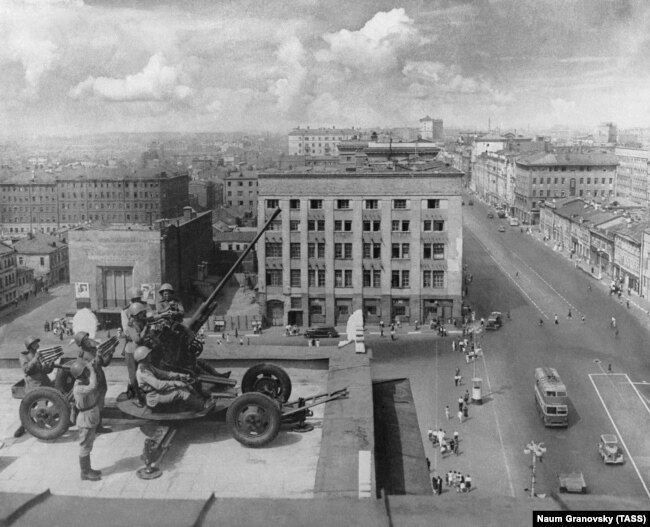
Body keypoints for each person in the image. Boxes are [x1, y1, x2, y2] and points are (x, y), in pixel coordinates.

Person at [134, 346, 205, 412]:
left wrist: (179, 375)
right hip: (153, 397)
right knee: (180, 392)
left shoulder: (148, 366)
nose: (150, 355)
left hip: (157, 393)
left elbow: (164, 374)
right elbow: (158, 385)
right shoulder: (142, 372)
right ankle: (202, 406)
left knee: (185, 385)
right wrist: (175, 383)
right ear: (143, 358)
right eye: (148, 355)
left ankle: (199, 400)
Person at [15, 337, 55, 437]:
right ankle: (23, 425)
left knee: (45, 404)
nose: (38, 344)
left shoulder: (39, 354)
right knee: (28, 407)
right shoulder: (25, 355)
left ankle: (44, 421)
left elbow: (44, 370)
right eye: (35, 343)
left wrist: (50, 365)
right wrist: (35, 358)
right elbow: (26, 369)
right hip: (33, 386)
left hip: (44, 383)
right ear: (30, 345)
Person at [70, 359, 102, 481]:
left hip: (90, 415)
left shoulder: (83, 381)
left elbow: (95, 382)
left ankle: (88, 469)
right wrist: (92, 369)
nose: (87, 373)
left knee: (89, 444)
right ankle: (85, 472)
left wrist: (92, 365)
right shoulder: (79, 388)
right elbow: (93, 387)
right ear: (79, 375)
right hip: (85, 419)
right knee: (85, 446)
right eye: (85, 371)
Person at [74, 332, 111, 434]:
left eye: (87, 338)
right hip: (92, 380)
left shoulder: (94, 350)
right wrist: (97, 358)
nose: (88, 341)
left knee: (101, 403)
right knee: (95, 404)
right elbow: (83, 368)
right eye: (85, 340)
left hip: (100, 379)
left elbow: (104, 363)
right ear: (81, 344)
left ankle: (98, 425)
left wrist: (109, 354)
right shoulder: (81, 355)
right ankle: (96, 426)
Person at [123, 302, 150, 401]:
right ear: (136, 314)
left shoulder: (140, 322)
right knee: (134, 376)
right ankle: (137, 396)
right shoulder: (131, 325)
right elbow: (137, 339)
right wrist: (146, 328)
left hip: (138, 351)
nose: (143, 314)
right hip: (131, 352)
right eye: (141, 313)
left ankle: (140, 392)